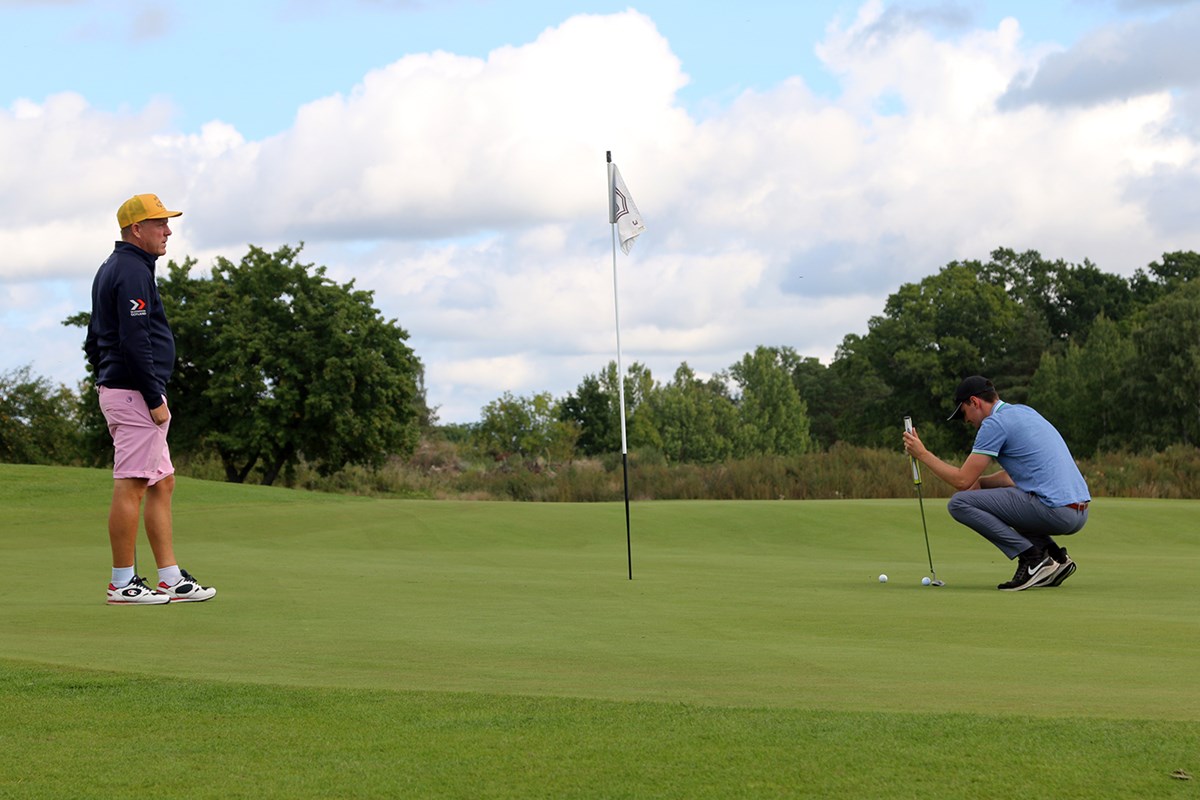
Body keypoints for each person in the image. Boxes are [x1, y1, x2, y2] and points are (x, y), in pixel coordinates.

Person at [85, 193, 216, 605]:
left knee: (162, 483)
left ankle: (170, 577)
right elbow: (133, 338)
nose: (168, 231)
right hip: (137, 394)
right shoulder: (129, 270)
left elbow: (93, 339)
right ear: (136, 229)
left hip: (126, 390)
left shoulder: (118, 267)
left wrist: (104, 381)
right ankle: (122, 582)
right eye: (160, 224)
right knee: (133, 485)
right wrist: (151, 394)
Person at [902, 375, 1090, 591]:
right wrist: (981, 484)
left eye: (963, 412)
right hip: (1079, 513)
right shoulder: (1024, 412)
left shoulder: (994, 423)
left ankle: (1033, 558)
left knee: (959, 503)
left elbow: (962, 481)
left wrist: (923, 454)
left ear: (975, 402)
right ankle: (1055, 557)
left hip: (1056, 512)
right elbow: (1010, 478)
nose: (966, 420)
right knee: (1004, 500)